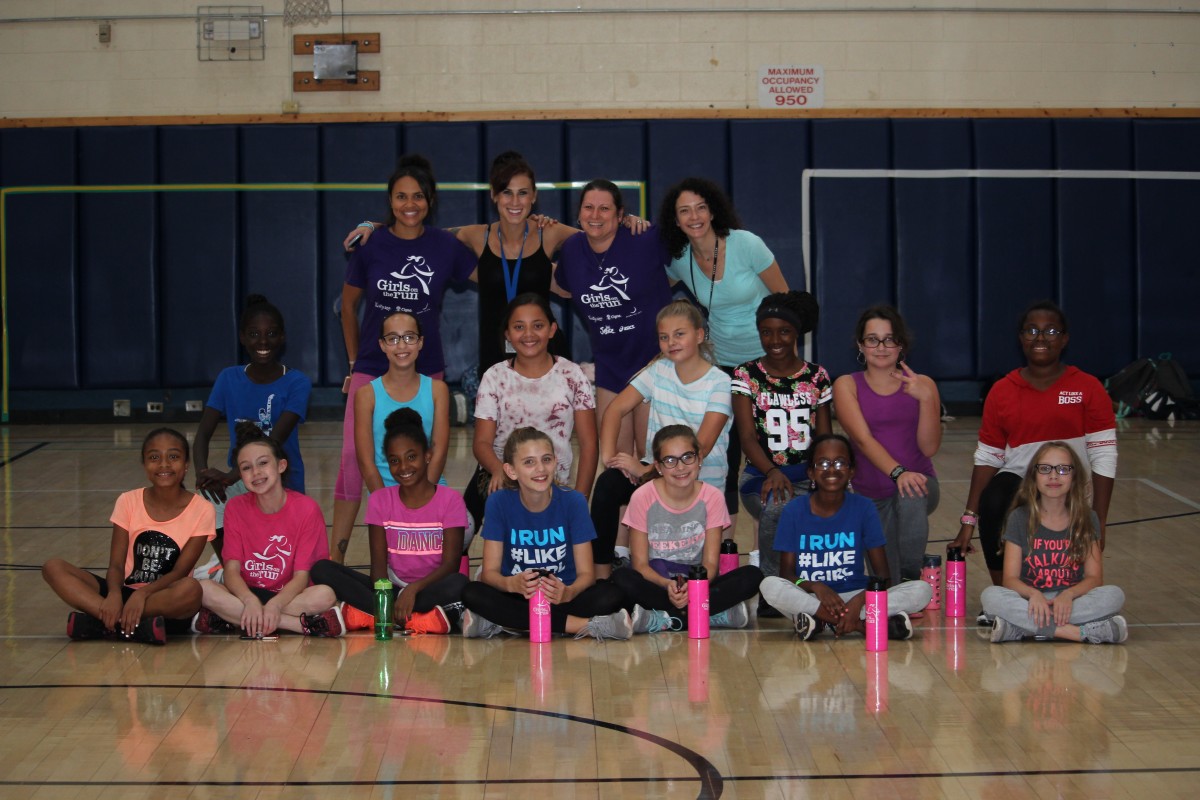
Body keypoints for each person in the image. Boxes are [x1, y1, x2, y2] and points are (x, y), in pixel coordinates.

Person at [332, 154, 477, 563]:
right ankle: (334, 562)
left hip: (424, 367)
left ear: (429, 200)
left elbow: (495, 272)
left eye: (417, 196)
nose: (408, 204)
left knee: (426, 452)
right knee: (350, 462)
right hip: (372, 366)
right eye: (400, 197)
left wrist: (533, 232)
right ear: (389, 200)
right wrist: (351, 364)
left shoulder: (445, 246)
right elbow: (347, 307)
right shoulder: (371, 243)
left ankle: (424, 543)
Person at [949, 300, 1118, 604]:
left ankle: (1065, 596)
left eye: (1051, 331)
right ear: (1021, 338)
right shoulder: (1002, 390)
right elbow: (988, 458)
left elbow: (1104, 454)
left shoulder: (1088, 387)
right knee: (996, 496)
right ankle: (1006, 598)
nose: (1041, 338)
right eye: (1032, 331)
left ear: (1064, 339)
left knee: (1105, 597)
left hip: (1072, 486)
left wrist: (1099, 519)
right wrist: (968, 522)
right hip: (1021, 485)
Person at [657, 177, 790, 523]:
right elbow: (649, 287)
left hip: (767, 364)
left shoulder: (746, 244)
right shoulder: (679, 258)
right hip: (724, 365)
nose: (694, 216)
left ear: (713, 210)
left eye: (701, 207)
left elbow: (786, 302)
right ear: (675, 220)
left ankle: (782, 528)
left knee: (772, 451)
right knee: (726, 454)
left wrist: (785, 361)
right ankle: (725, 536)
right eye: (684, 211)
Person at [590, 300, 732, 579]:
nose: (671, 342)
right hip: (655, 476)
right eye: (664, 337)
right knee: (608, 485)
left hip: (696, 484)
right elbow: (615, 410)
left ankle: (694, 583)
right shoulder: (658, 371)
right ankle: (600, 578)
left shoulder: (719, 382)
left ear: (700, 335)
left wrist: (646, 470)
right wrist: (611, 459)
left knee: (696, 571)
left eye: (680, 334)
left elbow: (700, 447)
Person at [42, 428, 213, 644]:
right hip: (123, 591)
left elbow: (180, 572)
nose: (164, 464)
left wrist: (142, 595)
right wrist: (114, 593)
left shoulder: (202, 509)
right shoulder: (128, 501)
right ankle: (131, 625)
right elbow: (116, 564)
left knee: (191, 590)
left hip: (162, 599)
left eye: (173, 456)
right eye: (154, 457)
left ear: (186, 464)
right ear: (144, 465)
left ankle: (104, 623)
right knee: (53, 567)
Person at [459, 427, 631, 640]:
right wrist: (511, 583)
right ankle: (582, 625)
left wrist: (568, 591)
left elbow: (587, 575)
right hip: (518, 595)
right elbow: (490, 573)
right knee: (472, 592)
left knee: (611, 595)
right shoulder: (499, 502)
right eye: (529, 462)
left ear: (555, 462)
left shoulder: (573, 501)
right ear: (511, 471)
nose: (540, 469)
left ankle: (506, 623)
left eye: (546, 459)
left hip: (563, 596)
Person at [312, 408, 469, 635]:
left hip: (429, 589)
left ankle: (372, 615)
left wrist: (413, 590)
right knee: (322, 568)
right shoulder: (380, 500)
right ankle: (414, 620)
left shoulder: (450, 500)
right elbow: (378, 570)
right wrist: (389, 596)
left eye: (411, 457)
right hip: (391, 589)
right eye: (395, 461)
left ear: (427, 455)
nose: (403, 467)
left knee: (459, 584)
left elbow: (450, 566)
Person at [759, 434, 931, 640]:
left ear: (851, 471)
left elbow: (884, 577)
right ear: (811, 472)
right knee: (770, 585)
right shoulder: (794, 510)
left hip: (856, 596)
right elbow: (787, 575)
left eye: (840, 462)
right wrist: (816, 586)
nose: (832, 469)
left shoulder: (864, 507)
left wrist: (859, 600)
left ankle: (820, 620)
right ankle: (860, 624)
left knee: (922, 590)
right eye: (822, 463)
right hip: (812, 596)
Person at [553, 179, 673, 459]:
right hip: (610, 365)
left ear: (620, 215)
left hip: (652, 363)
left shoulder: (645, 238)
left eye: (605, 209)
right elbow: (563, 285)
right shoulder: (571, 250)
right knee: (617, 460)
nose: (595, 216)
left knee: (649, 457)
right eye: (589, 208)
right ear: (579, 213)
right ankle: (622, 506)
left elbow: (687, 255)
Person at [192, 423, 343, 638]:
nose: (256, 473)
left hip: (291, 595)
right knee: (204, 589)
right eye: (246, 467)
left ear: (281, 465)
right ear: (239, 475)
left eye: (263, 463)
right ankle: (300, 625)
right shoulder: (235, 507)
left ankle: (240, 620)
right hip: (248, 592)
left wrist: (276, 605)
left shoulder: (306, 509)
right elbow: (231, 570)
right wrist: (249, 600)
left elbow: (301, 577)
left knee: (325, 595)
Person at [464, 293, 597, 528]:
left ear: (552, 329)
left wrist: (580, 501)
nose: (528, 334)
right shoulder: (494, 376)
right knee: (461, 527)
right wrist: (500, 471)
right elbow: (481, 443)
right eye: (518, 327)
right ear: (507, 334)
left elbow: (589, 445)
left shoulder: (572, 375)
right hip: (502, 476)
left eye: (537, 326)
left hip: (552, 481)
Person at [194, 294, 311, 561]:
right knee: (206, 501)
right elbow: (203, 433)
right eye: (254, 334)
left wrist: (229, 476)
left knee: (283, 556)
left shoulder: (297, 383)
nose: (262, 341)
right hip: (238, 478)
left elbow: (273, 443)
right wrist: (203, 475)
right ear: (243, 338)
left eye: (270, 333)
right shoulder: (228, 378)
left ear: (282, 337)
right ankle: (231, 567)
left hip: (282, 478)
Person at [614, 425, 763, 633]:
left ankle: (667, 619)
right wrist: (667, 585)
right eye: (670, 461)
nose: (680, 467)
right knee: (622, 579)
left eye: (687, 457)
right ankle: (707, 614)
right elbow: (640, 564)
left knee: (752, 576)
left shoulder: (712, 497)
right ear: (658, 466)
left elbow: (711, 562)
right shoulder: (642, 496)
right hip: (658, 580)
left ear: (699, 459)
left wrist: (694, 588)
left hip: (698, 580)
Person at [832, 305, 941, 584]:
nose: (881, 347)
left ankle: (912, 576)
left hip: (919, 484)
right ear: (861, 344)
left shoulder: (924, 383)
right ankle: (901, 586)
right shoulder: (847, 385)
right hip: (872, 495)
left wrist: (927, 400)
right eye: (872, 339)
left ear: (901, 345)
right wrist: (897, 473)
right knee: (885, 584)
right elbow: (862, 439)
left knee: (911, 493)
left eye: (890, 339)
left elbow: (928, 449)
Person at [981, 442, 1128, 644]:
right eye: (1045, 469)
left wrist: (1068, 595)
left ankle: (1023, 628)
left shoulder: (1087, 517)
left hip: (1071, 601)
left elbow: (1094, 578)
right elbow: (1010, 579)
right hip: (1030, 600)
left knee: (1114, 595)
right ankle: (1076, 633)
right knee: (990, 596)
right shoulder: (1019, 517)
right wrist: (1034, 594)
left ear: (1074, 476)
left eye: (1063, 469)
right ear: (1034, 476)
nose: (1053, 476)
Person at [733, 291, 831, 588]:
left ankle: (831, 580)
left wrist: (823, 477)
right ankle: (772, 586)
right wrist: (772, 471)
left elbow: (825, 438)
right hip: (761, 475)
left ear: (797, 333)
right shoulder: (746, 375)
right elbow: (747, 437)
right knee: (778, 507)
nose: (775, 340)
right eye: (767, 332)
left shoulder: (817, 376)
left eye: (784, 332)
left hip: (808, 474)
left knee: (845, 505)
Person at [354, 311, 451, 493]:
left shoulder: (438, 390)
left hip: (429, 489)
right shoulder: (366, 395)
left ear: (420, 342)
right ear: (382, 345)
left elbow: (439, 452)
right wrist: (385, 504)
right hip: (383, 492)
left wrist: (421, 499)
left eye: (409, 337)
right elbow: (366, 462)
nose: (401, 345)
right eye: (392, 338)